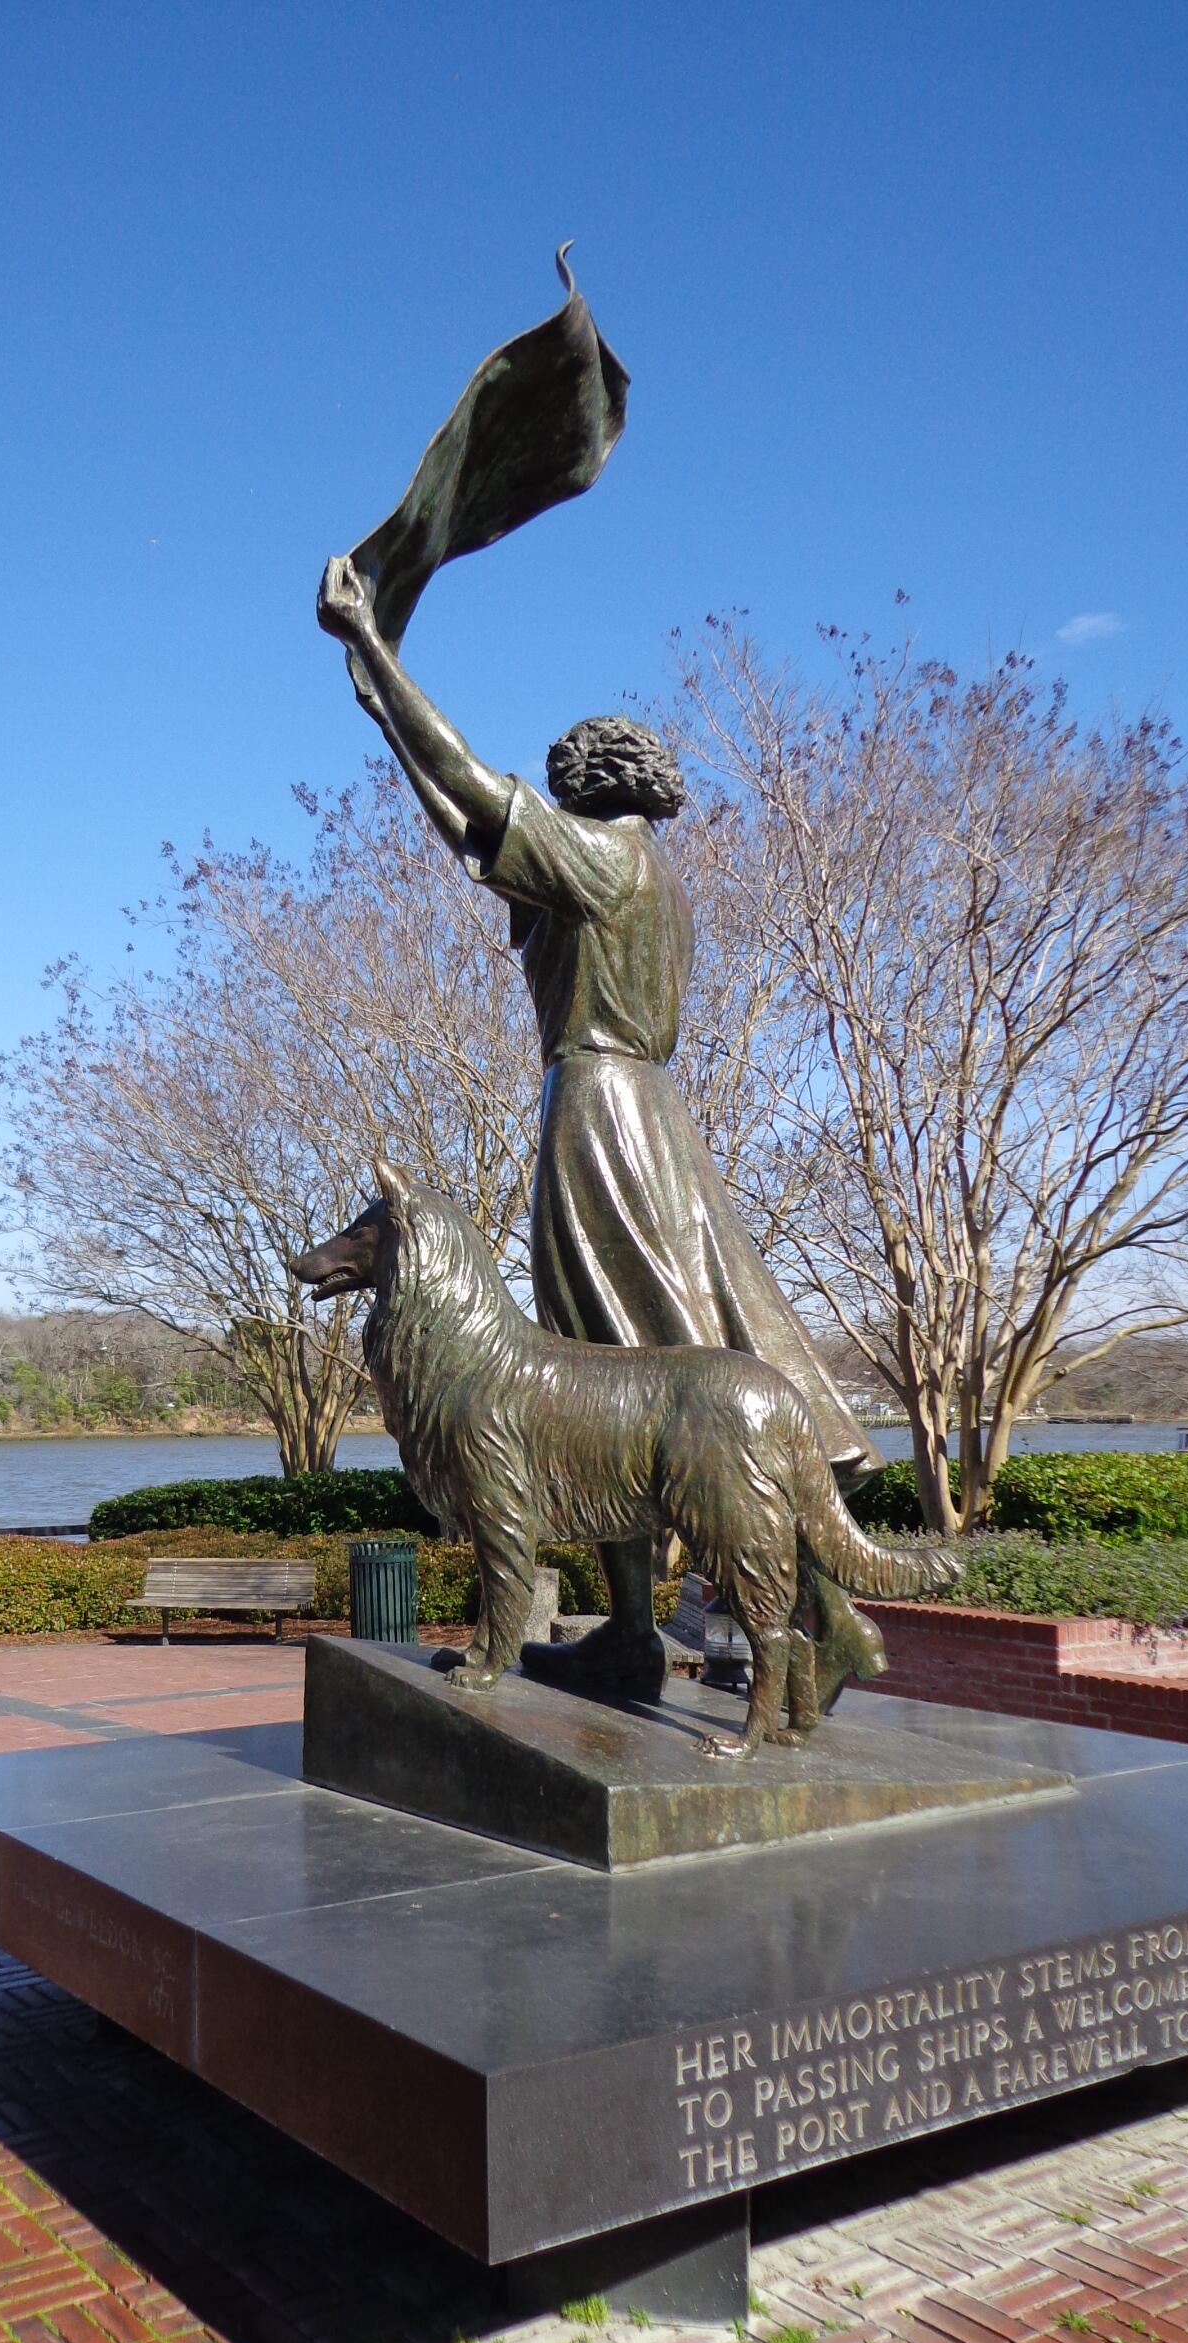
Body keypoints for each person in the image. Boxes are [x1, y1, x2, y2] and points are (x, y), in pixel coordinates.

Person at [318, 550, 877, 1697]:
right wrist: (377, 704)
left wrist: (374, 645)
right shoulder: (638, 869)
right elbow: (467, 825)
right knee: (602, 1359)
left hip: (601, 1117)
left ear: (585, 782)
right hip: (644, 1117)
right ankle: (635, 1631)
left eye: (558, 776)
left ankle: (821, 1623)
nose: (548, 787)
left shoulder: (607, 859)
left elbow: (472, 784)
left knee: (623, 1353)